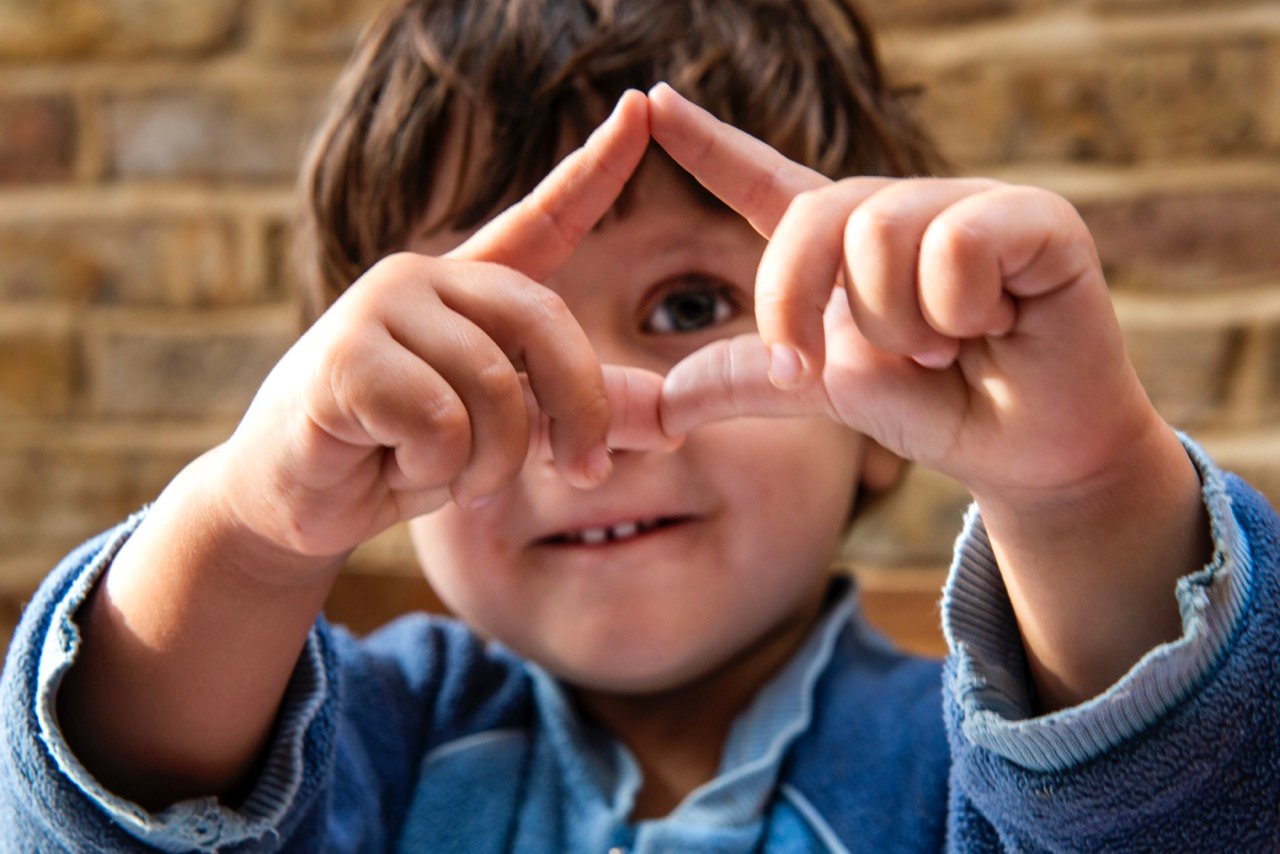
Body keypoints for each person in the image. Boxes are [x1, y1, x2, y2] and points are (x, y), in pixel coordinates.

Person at [3, 0, 1278, 850]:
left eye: (686, 303)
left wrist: (1078, 490)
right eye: (495, 338)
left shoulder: (974, 766)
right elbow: (102, 812)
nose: (592, 412)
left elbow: (1192, 806)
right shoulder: (364, 743)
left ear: (885, 406)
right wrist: (252, 526)